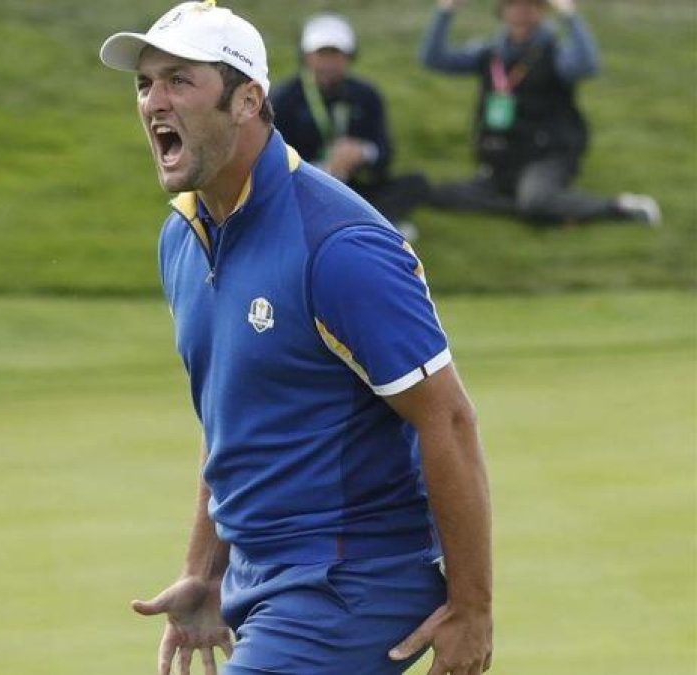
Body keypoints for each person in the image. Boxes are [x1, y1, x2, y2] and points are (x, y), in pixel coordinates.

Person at [99, 2, 493, 673]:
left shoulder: (339, 245)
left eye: (178, 81)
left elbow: (448, 419)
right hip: (261, 577)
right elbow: (233, 412)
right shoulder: (183, 238)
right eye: (145, 84)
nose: (154, 102)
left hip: (356, 582)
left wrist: (473, 608)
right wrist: (204, 569)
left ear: (247, 100)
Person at [421, 0, 661, 226]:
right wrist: (446, 10)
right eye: (513, 3)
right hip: (502, 156)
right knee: (436, 194)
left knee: (536, 200)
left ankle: (620, 207)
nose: (520, 10)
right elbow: (433, 59)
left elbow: (587, 65)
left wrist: (569, 15)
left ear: (541, 10)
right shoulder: (489, 52)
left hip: (548, 155)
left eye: (530, 4)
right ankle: (533, 208)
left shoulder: (553, 53)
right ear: (502, 10)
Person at [271, 13, 430, 233]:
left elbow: (385, 152)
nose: (329, 63)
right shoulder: (284, 97)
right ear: (307, 57)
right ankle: (371, 223)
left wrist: (362, 152)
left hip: (357, 184)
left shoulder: (367, 94)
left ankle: (357, 221)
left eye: (336, 54)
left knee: (416, 183)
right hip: (305, 186)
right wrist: (324, 169)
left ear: (349, 57)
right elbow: (275, 162)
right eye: (322, 54)